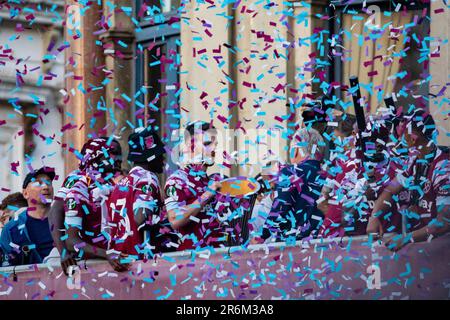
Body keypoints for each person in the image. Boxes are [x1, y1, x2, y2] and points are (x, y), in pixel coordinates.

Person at [367, 109, 449, 251]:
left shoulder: (444, 169)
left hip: (444, 250)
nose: (400, 138)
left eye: (404, 134)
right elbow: (391, 189)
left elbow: (444, 222)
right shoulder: (415, 160)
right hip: (426, 248)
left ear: (412, 139)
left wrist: (407, 238)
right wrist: (374, 216)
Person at [48, 137, 123, 275]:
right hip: (83, 259)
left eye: (120, 153)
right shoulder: (77, 180)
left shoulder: (111, 182)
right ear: (96, 156)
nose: (119, 158)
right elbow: (55, 212)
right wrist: (63, 251)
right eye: (114, 153)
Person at [107, 127, 175, 258]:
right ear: (149, 156)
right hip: (140, 263)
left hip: (119, 261)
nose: (163, 158)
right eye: (159, 153)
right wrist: (169, 225)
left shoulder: (120, 184)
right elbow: (141, 219)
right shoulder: (148, 179)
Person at [258, 128, 326, 243]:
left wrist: (263, 235)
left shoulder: (290, 172)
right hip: (323, 241)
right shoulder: (331, 173)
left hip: (293, 243)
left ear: (296, 150)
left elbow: (281, 207)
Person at [164, 121, 225, 251]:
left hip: (219, 261)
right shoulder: (177, 180)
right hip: (191, 263)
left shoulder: (213, 180)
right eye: (207, 144)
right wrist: (207, 194)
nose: (214, 149)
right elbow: (174, 220)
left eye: (215, 144)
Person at [0, 167, 55, 266]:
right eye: (38, 183)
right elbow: (5, 269)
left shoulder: (66, 222)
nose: (46, 187)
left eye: (49, 182)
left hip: (64, 280)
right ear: (25, 193)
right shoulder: (10, 229)